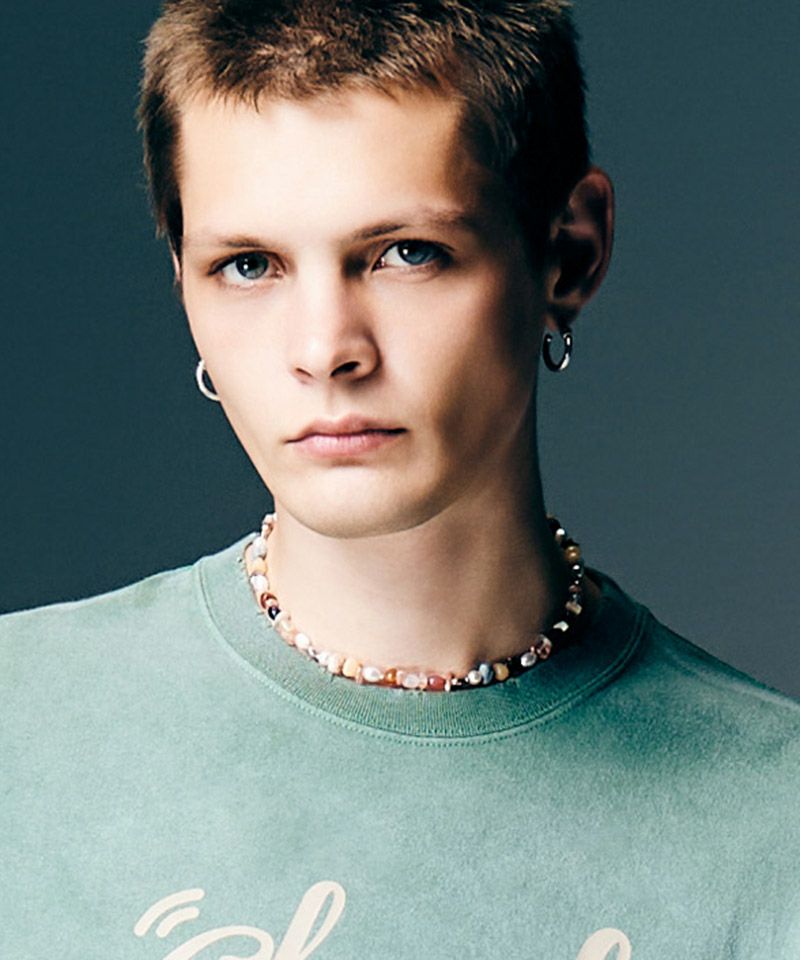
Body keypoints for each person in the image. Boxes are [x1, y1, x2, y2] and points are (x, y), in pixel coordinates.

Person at [1, 1, 798, 957]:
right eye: (248, 266)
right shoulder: (22, 728)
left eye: (407, 255)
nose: (324, 349)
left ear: (569, 253)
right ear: (182, 278)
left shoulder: (772, 825)